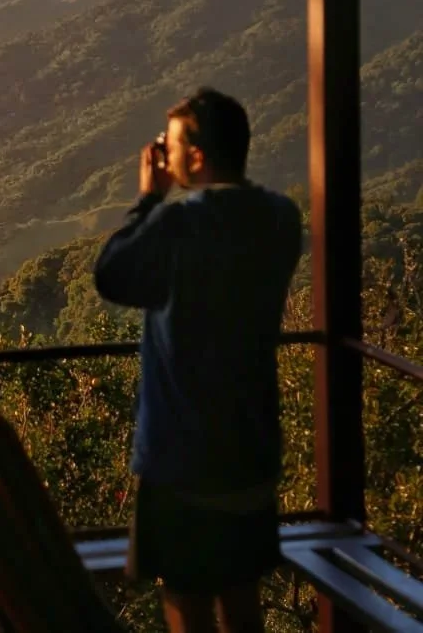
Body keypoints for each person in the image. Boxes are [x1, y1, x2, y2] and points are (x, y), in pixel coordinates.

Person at [94, 87, 302, 633]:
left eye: (175, 143)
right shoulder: (280, 218)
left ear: (199, 156)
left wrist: (148, 199)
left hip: (180, 458)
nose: (167, 152)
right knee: (241, 595)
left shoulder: (180, 226)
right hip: (251, 450)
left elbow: (111, 275)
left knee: (186, 600)